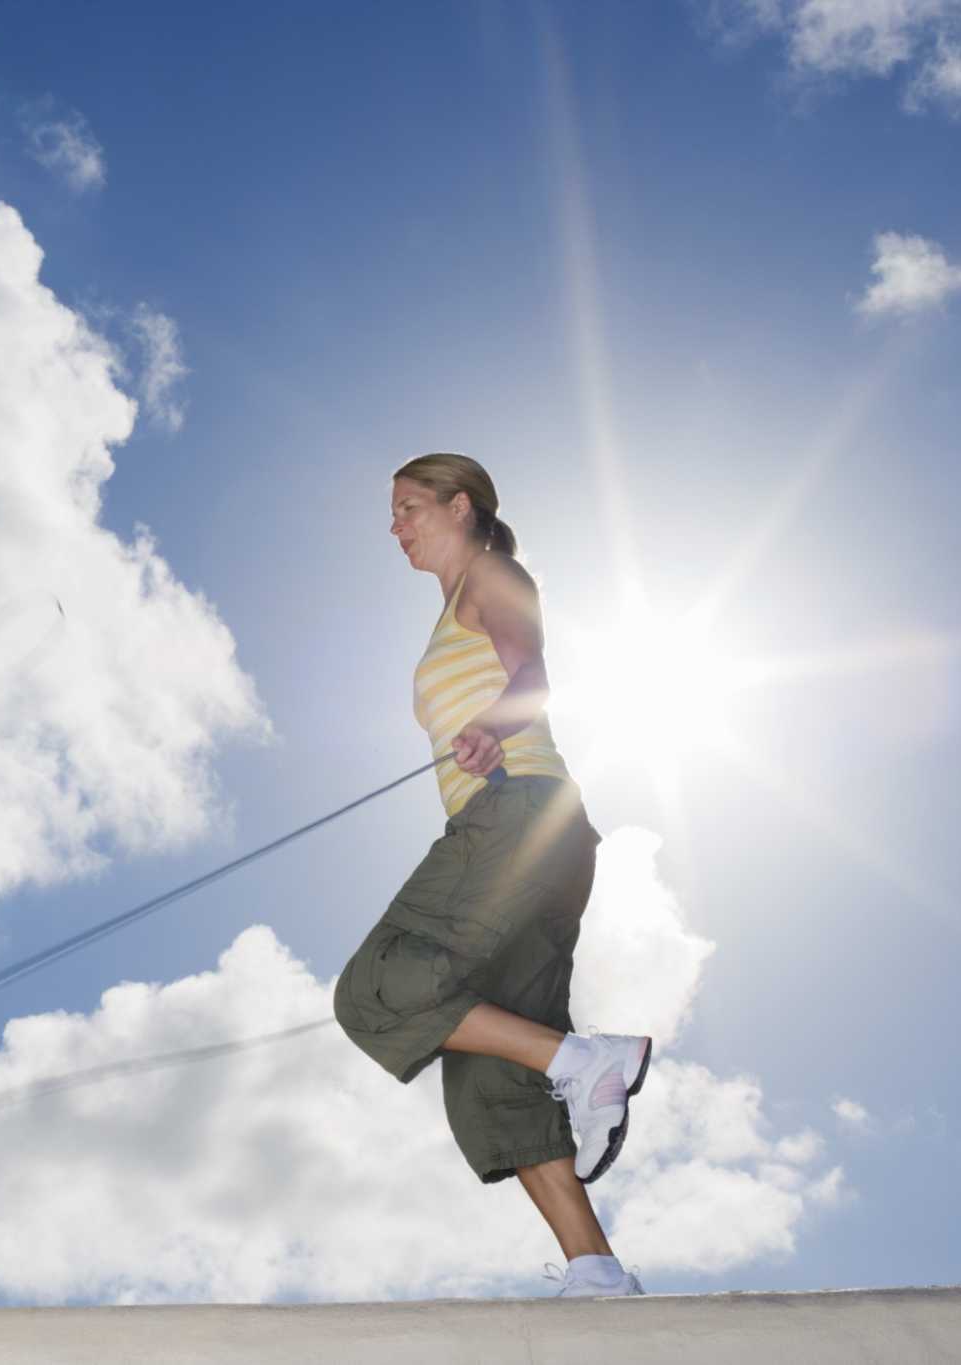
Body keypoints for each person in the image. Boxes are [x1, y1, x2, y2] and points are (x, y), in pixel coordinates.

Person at [333, 453, 652, 1298]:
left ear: (460, 504)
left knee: (375, 987)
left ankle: (583, 1058)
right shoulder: (449, 608)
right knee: (491, 1078)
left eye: (408, 506)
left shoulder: (493, 573)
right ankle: (598, 1271)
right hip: (539, 842)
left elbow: (535, 674)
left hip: (518, 815)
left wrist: (493, 720)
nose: (395, 525)